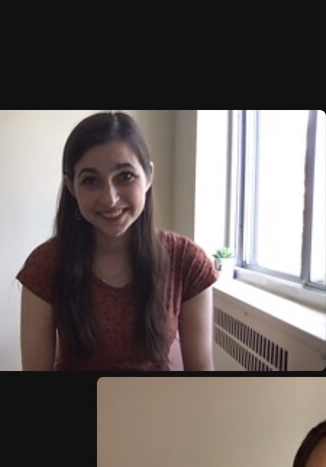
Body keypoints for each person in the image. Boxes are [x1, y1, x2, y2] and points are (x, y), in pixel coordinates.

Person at [18, 112, 216, 370]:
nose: (110, 198)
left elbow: (201, 382)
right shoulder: (45, 264)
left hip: (160, 409)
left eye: (125, 176)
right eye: (90, 181)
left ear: (148, 177)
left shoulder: (187, 261)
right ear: (71, 187)